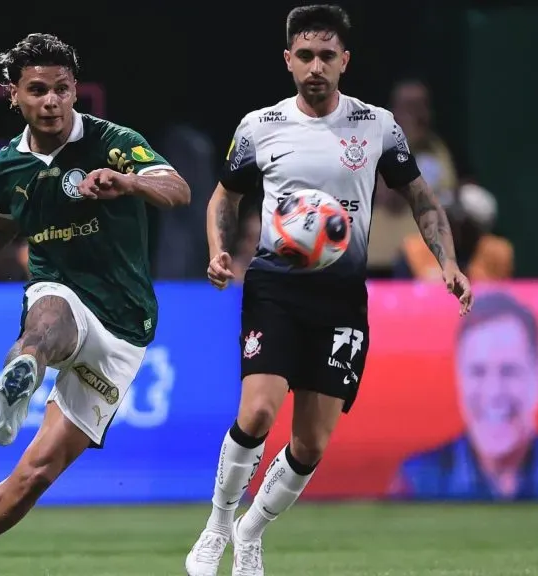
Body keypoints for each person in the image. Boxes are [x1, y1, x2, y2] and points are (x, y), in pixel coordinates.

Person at [186, 6, 473, 576]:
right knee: (259, 410)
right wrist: (219, 250)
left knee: (311, 445)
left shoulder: (377, 126)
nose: (316, 66)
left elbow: (420, 197)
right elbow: (225, 196)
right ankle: (217, 525)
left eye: (327, 56)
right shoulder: (259, 127)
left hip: (342, 299)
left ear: (344, 61)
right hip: (274, 288)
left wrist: (449, 262)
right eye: (305, 55)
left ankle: (251, 531)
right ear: (288, 60)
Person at [0, 33, 190, 576]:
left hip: (125, 327)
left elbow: (176, 188)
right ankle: (23, 374)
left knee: (33, 477)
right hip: (62, 291)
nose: (50, 101)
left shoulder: (113, 141)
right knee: (47, 319)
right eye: (36, 90)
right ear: (14, 96)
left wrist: (127, 181)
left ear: (75, 90)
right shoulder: (8, 164)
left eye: (60, 89)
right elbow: (2, 223)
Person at [390, 291, 538, 500]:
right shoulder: (417, 481)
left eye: (509, 371)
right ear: (459, 377)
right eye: (478, 372)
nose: (493, 392)